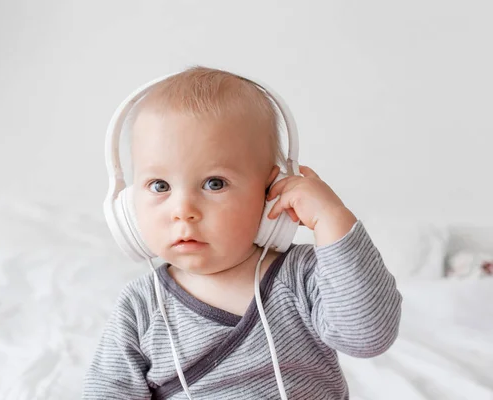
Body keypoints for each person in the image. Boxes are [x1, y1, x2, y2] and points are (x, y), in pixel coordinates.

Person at [83, 66, 402, 399]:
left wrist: (332, 219)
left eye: (214, 183)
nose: (183, 209)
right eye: (159, 185)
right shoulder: (141, 307)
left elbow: (368, 337)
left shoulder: (303, 277)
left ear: (268, 191)